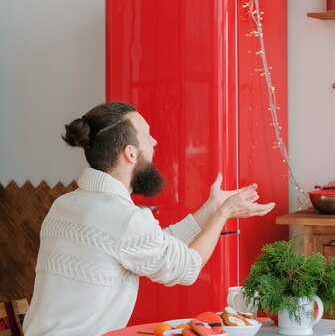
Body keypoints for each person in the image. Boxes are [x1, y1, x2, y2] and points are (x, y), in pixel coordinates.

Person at [23, 101, 275, 336]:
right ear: (130, 153)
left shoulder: (64, 205)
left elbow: (154, 243)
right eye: (148, 136)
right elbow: (186, 268)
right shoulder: (124, 218)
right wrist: (224, 213)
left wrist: (212, 208)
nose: (155, 142)